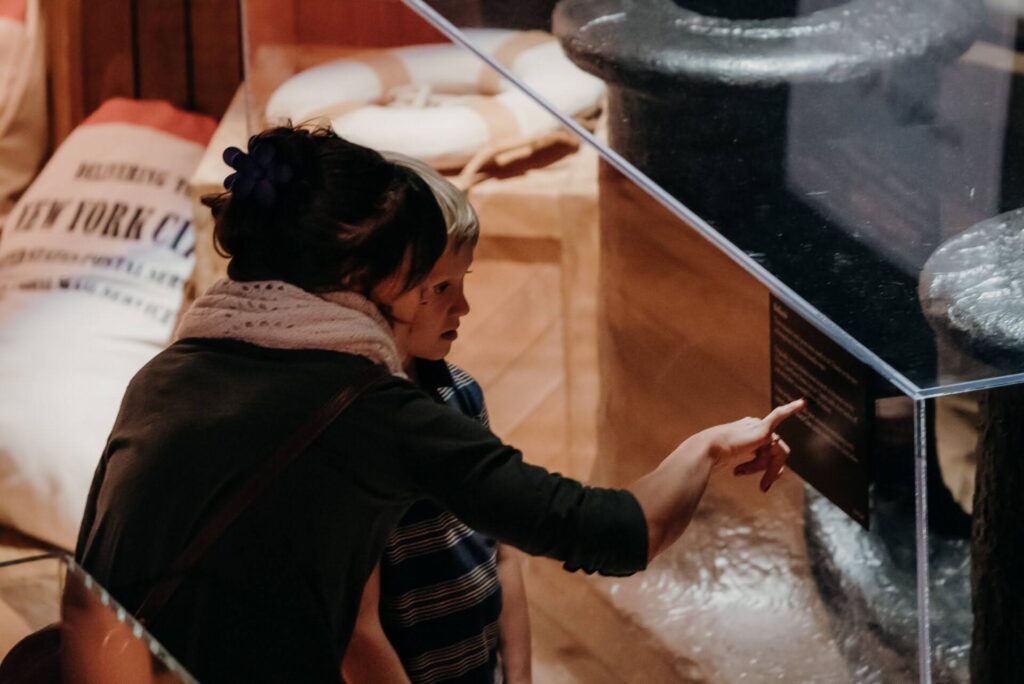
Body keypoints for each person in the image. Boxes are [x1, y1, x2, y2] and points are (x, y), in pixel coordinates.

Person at [74, 125, 803, 683]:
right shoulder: (370, 412)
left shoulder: (167, 373)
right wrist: (707, 446)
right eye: (423, 280)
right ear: (363, 274)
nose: (441, 299)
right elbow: (616, 531)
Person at [342, 153, 531, 684]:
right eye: (441, 287)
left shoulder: (463, 396)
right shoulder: (355, 428)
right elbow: (357, 629)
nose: (464, 306)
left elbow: (506, 556)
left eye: (463, 280)